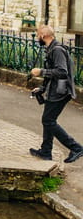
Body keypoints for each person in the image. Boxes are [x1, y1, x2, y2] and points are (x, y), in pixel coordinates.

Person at [28, 25, 83, 162]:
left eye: (38, 34)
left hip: (61, 92)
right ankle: (46, 152)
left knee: (48, 120)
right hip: (55, 90)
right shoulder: (51, 49)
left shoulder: (57, 50)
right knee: (48, 120)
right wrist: (42, 88)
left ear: (43, 35)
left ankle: (76, 148)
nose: (37, 38)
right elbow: (52, 72)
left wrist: (40, 72)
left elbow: (62, 72)